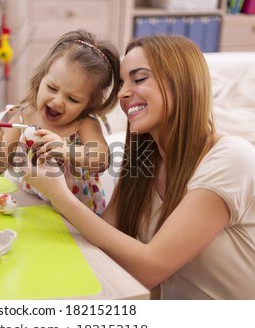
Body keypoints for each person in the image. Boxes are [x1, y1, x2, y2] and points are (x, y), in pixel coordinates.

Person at [23, 35, 255, 299]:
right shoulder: (143, 162)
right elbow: (104, 239)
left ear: (182, 84)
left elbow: (149, 269)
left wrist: (59, 195)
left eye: (139, 79)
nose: (121, 93)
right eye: (122, 83)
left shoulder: (232, 158)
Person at [0, 30, 120, 215]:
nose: (58, 101)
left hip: (78, 219)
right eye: (52, 88)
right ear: (40, 79)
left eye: (73, 99)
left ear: (89, 104)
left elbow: (101, 159)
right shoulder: (23, 118)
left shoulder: (84, 124)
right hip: (35, 210)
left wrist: (66, 149)